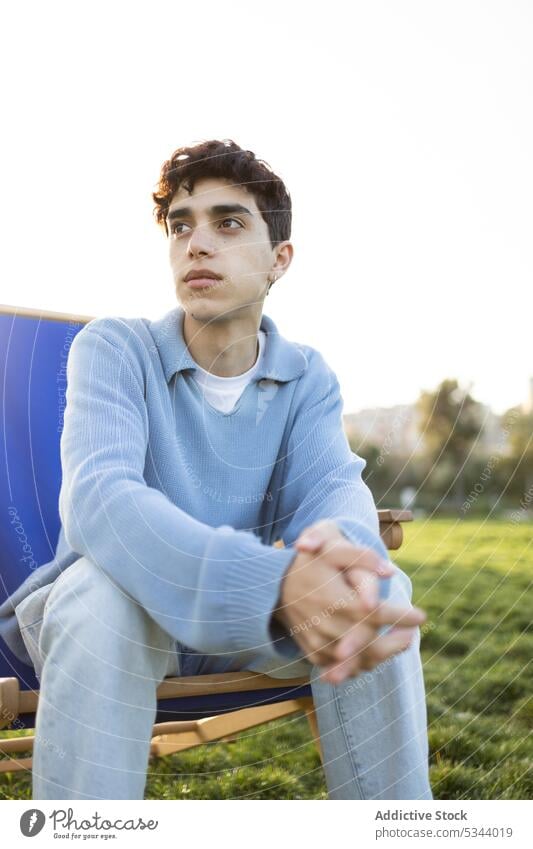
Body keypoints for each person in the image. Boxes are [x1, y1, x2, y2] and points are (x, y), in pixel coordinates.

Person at [1, 139, 432, 800]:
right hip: (121, 621)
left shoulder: (306, 375)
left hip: (242, 628)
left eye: (227, 222)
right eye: (181, 224)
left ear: (278, 259)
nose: (196, 242)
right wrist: (273, 581)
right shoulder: (115, 348)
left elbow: (331, 489)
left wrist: (338, 560)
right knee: (94, 596)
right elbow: (101, 502)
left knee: (378, 588)